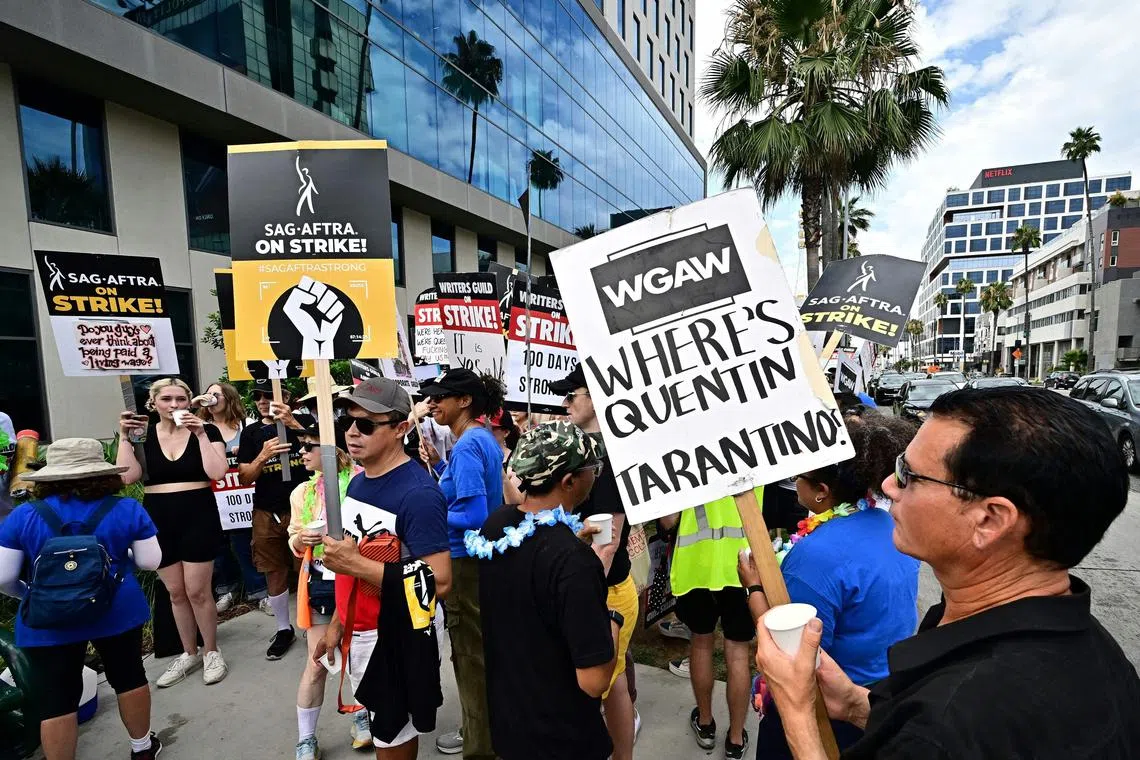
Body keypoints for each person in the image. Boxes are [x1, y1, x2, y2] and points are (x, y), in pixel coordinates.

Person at [754, 388, 1140, 759]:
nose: (888, 485)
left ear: (990, 519)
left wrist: (797, 713)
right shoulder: (1099, 654)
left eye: (909, 474)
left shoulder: (948, 723)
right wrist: (856, 704)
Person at [739, 414, 920, 757]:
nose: (794, 483)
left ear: (822, 492)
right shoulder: (890, 523)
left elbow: (789, 653)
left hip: (828, 707)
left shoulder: (814, 557)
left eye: (798, 477)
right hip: (884, 692)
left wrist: (754, 588)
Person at [313, 377, 451, 760]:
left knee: (392, 732)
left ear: (401, 429)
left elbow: (440, 581)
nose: (352, 432)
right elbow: (352, 571)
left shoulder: (419, 494)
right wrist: (338, 623)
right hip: (360, 626)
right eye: (347, 421)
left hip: (397, 634)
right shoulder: (359, 483)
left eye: (367, 424)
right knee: (380, 726)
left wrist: (356, 563)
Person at [0, 438, 164, 759]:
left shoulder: (23, 516)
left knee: (57, 699)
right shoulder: (126, 509)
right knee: (129, 677)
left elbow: (4, 576)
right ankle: (142, 748)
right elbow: (150, 561)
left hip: (47, 619)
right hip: (116, 608)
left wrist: (30, 595)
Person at [468, 421, 621, 760]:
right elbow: (594, 681)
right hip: (563, 741)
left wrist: (571, 548)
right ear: (569, 481)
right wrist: (613, 620)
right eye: (592, 469)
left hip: (511, 728)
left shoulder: (497, 525)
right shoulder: (574, 563)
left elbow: (529, 569)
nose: (595, 475)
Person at [550, 364, 640, 757]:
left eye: (572, 395)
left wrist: (581, 594)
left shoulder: (606, 459)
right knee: (613, 680)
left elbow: (609, 542)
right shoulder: (585, 451)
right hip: (599, 587)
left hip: (606, 591)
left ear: (596, 397)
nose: (565, 403)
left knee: (600, 684)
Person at [118, 378, 229, 687]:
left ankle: (211, 651)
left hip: (198, 512)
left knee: (197, 591)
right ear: (153, 403)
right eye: (166, 399)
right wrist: (125, 437)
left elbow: (217, 472)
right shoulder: (142, 434)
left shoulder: (208, 430)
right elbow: (128, 477)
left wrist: (200, 433)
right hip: (158, 515)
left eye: (180, 398)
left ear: (189, 401)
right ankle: (189, 652)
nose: (174, 405)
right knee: (176, 592)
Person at [418, 369, 504, 760]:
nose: (432, 403)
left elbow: (474, 515)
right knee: (478, 656)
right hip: (475, 561)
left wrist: (427, 513)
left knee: (470, 660)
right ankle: (482, 732)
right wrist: (440, 469)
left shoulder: (469, 445)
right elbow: (469, 498)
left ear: (465, 401)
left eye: (441, 397)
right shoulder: (479, 439)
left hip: (465, 565)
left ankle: (479, 748)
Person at [661, 487, 760, 759]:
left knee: (701, 642)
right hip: (742, 566)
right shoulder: (756, 459)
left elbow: (668, 521)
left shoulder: (676, 463)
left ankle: (705, 725)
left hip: (695, 567)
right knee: (738, 652)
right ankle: (736, 739)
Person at [287, 423, 362, 760]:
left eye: (309, 445)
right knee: (318, 660)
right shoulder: (302, 492)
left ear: (332, 451)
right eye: (301, 445)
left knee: (359, 655)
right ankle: (306, 738)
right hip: (319, 580)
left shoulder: (361, 482)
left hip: (358, 577)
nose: (301, 451)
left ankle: (362, 715)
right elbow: (293, 537)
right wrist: (300, 539)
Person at [236, 379, 313, 660]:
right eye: (257, 396)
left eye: (268, 395)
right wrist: (263, 456)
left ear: (286, 397)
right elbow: (245, 477)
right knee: (273, 569)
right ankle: (283, 628)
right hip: (266, 511)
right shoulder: (251, 433)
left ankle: (311, 623)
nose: (262, 401)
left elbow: (327, 452)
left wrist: (292, 423)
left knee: (308, 568)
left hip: (304, 508)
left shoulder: (304, 423)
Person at [197, 382, 269, 614]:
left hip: (243, 498)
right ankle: (225, 589)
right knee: (219, 547)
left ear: (229, 398)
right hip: (214, 497)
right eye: (207, 395)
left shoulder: (247, 425)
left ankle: (259, 591)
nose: (211, 399)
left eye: (216, 395)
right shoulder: (200, 428)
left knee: (245, 543)